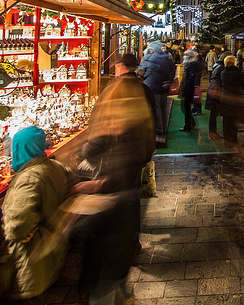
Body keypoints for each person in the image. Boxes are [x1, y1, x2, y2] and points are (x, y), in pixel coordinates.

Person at [75, 56, 156, 303]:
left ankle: (92, 285)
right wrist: (146, 153)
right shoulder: (143, 90)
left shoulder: (112, 95)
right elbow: (152, 125)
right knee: (125, 216)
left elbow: (95, 142)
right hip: (128, 168)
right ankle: (118, 275)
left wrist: (85, 154)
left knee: (98, 232)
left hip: (107, 177)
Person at [0, 126, 71, 303]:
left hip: (27, 265)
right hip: (48, 252)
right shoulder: (56, 167)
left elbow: (17, 228)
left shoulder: (28, 178)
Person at [138, 42, 175, 141]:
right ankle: (163, 127)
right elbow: (172, 71)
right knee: (163, 107)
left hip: (152, 85)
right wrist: (168, 81)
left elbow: (140, 72)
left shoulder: (148, 58)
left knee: (156, 107)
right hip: (164, 86)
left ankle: (159, 128)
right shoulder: (168, 58)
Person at [219, 55, 244, 146]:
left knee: (226, 122)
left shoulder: (223, 73)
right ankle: (233, 140)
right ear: (233, 62)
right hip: (235, 99)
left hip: (225, 99)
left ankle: (226, 141)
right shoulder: (238, 73)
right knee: (234, 121)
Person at [206, 51, 229, 140]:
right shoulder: (222, 67)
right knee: (214, 114)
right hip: (216, 92)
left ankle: (212, 132)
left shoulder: (217, 65)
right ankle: (213, 133)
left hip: (213, 91)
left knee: (213, 114)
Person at [179, 48, 200, 132]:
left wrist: (185, 90)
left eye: (186, 55)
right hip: (187, 89)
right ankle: (190, 123)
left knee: (186, 107)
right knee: (185, 107)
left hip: (188, 89)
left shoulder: (191, 66)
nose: (184, 57)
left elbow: (189, 79)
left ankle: (188, 125)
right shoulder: (190, 65)